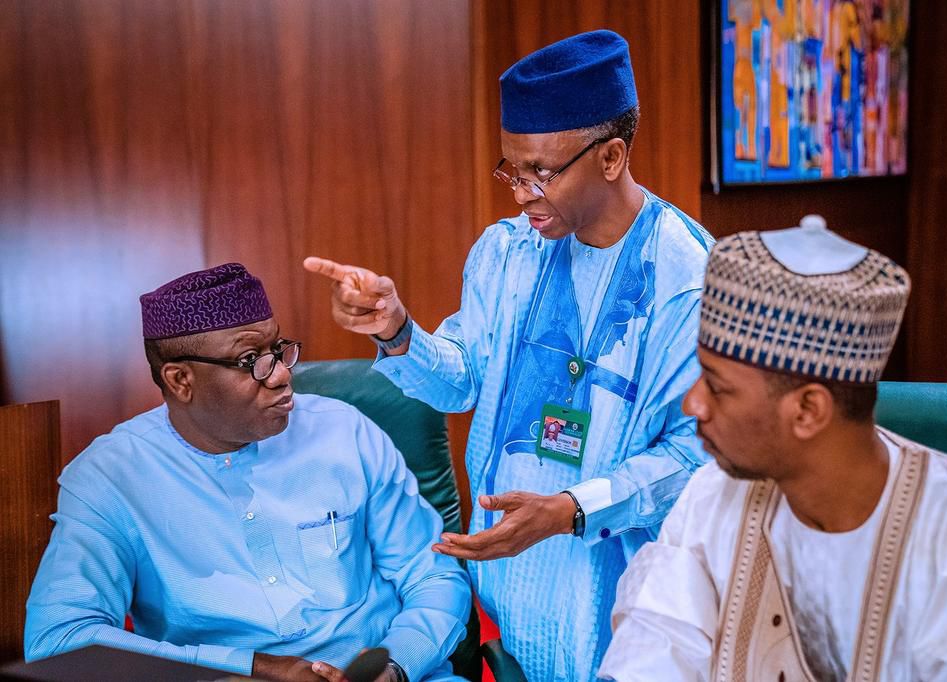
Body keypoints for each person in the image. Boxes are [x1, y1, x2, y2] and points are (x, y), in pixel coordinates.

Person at [304, 29, 712, 681]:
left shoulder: (687, 279)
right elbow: (463, 380)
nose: (520, 193)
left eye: (541, 172)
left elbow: (698, 459)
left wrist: (571, 510)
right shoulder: (507, 252)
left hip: (620, 609)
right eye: (512, 170)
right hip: (509, 596)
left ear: (611, 157)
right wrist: (398, 332)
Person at [599, 217, 947, 681]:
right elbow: (654, 646)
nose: (692, 404)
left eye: (718, 387)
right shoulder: (713, 495)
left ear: (808, 410)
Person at [25, 263, 471, 682]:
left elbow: (433, 575)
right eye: (251, 359)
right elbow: (59, 639)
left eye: (278, 350)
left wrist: (396, 666)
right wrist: (253, 669)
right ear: (180, 380)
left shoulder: (344, 431)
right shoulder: (110, 477)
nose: (280, 376)